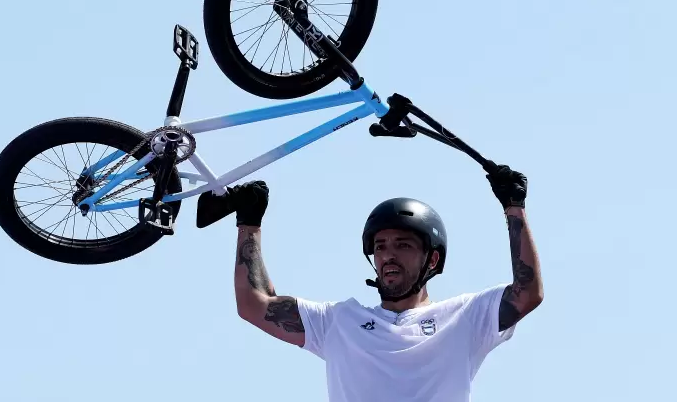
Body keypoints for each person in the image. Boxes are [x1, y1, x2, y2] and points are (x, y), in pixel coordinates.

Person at [204, 163, 542, 402]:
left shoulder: (466, 317)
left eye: (403, 245)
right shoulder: (338, 321)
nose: (388, 256)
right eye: (380, 247)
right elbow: (254, 304)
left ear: (432, 260)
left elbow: (527, 293)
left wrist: (514, 207)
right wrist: (249, 223)